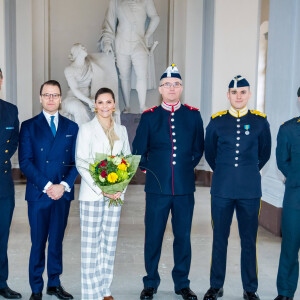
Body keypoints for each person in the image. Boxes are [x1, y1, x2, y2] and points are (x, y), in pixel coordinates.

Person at [132, 64, 204, 300]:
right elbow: (138, 150)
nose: (171, 88)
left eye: (176, 84)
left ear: (181, 88)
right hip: (157, 188)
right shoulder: (150, 116)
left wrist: (182, 169)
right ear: (160, 89)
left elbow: (197, 150)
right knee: (153, 236)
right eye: (167, 85)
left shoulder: (193, 115)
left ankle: (182, 283)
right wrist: (150, 170)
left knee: (183, 237)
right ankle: (150, 282)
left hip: (184, 188)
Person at [204, 75, 272, 300]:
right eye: (234, 92)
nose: (238, 96)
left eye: (243, 92)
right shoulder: (217, 122)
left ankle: (250, 288)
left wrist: (246, 171)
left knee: (248, 240)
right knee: (219, 238)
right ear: (228, 95)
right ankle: (216, 286)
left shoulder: (260, 122)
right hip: (222, 190)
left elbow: (264, 154)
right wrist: (225, 172)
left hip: (249, 191)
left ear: (249, 94)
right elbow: (211, 153)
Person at [18, 80, 78, 300]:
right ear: (40, 98)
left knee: (56, 241)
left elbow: (76, 162)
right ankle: (36, 287)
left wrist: (62, 186)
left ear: (61, 98)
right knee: (38, 242)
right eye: (47, 95)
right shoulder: (29, 126)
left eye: (55, 95)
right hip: (38, 193)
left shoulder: (72, 127)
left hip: (62, 194)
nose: (51, 99)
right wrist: (47, 186)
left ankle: (54, 283)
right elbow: (25, 162)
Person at [75, 87, 131, 300]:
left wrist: (118, 188)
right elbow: (81, 161)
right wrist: (102, 188)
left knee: (109, 244)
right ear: (95, 105)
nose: (105, 106)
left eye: (108, 102)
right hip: (92, 195)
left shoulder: (123, 130)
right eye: (100, 102)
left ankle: (104, 290)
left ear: (114, 105)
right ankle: (91, 295)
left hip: (115, 196)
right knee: (90, 247)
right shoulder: (86, 129)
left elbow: (126, 160)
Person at [98, 0, 160, 113]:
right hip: (121, 43)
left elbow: (155, 17)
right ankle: (127, 106)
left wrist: (147, 36)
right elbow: (109, 22)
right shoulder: (116, 2)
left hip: (139, 42)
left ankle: (142, 106)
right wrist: (107, 42)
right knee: (124, 76)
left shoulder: (146, 1)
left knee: (142, 75)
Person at [273, 87, 300, 300]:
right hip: (295, 197)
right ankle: (285, 292)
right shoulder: (289, 129)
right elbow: (282, 160)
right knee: (290, 246)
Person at [0, 68, 22, 299]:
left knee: (2, 235)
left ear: (1, 80)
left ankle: (1, 282)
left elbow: (14, 139)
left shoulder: (10, 110)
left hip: (2, 183)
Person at [62, 43, 96, 126]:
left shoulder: (90, 65)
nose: (85, 48)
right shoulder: (69, 70)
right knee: (79, 108)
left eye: (84, 46)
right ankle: (83, 137)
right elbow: (75, 89)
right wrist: (89, 102)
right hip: (72, 99)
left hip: (88, 99)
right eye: (82, 47)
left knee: (104, 107)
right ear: (76, 52)